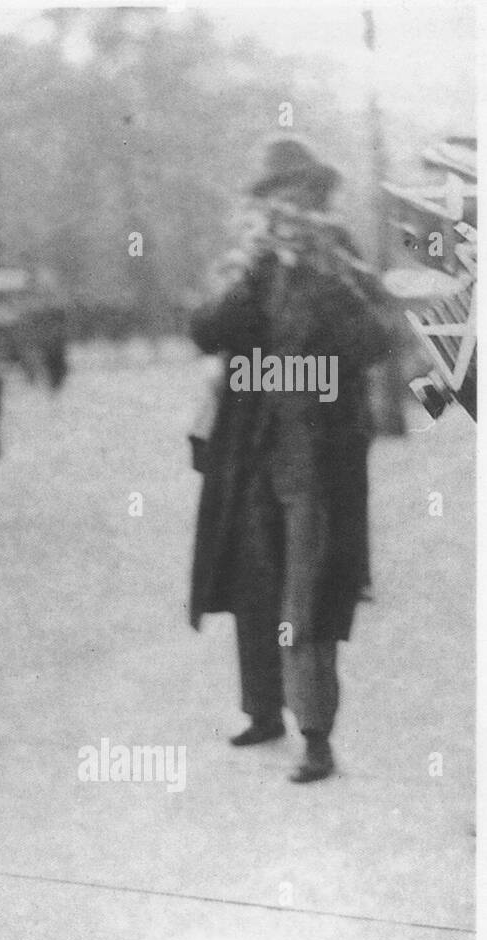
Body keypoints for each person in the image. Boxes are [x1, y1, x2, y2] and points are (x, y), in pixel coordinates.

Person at [188, 138, 390, 784]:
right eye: (277, 198)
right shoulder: (246, 265)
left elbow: (376, 343)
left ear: (317, 201)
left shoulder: (340, 264)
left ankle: (315, 735)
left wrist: (329, 282)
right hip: (250, 456)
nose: (288, 209)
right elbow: (205, 331)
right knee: (252, 586)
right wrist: (250, 271)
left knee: (305, 595)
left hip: (316, 460)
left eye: (300, 195)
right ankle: (262, 711)